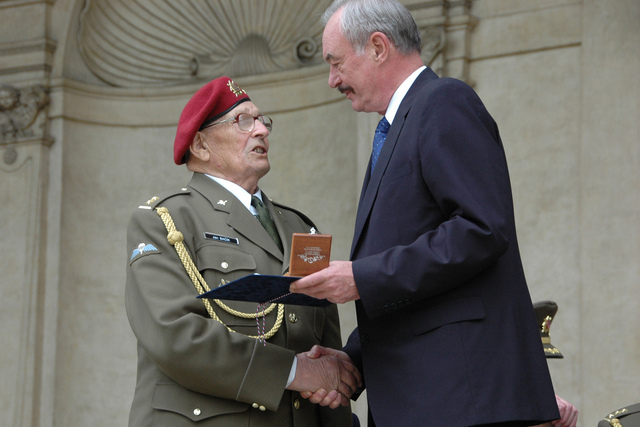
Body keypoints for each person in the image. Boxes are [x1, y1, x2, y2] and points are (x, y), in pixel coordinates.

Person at [289, 0, 560, 425]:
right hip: (428, 399)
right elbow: (415, 285)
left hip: (462, 401)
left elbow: (480, 229)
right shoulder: (398, 126)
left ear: (378, 47)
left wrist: (361, 277)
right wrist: (353, 359)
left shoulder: (443, 101)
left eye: (336, 63)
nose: (332, 80)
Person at [124, 76, 359, 426]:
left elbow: (325, 354)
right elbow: (173, 334)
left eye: (263, 121)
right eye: (243, 121)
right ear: (201, 145)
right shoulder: (166, 220)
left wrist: (330, 386)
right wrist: (294, 371)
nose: (262, 130)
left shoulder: (298, 227)